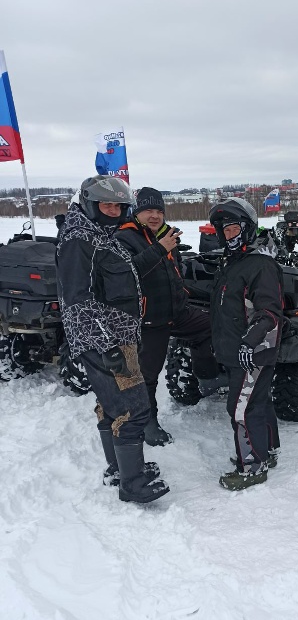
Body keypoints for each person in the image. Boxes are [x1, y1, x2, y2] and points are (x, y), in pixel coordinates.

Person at [56, 176, 169, 504]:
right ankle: (132, 483)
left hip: (113, 336)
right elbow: (77, 299)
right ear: (91, 205)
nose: (113, 212)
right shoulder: (80, 240)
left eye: (119, 206)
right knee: (133, 407)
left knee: (111, 405)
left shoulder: (99, 235)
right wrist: (107, 345)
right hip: (106, 341)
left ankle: (119, 468)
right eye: (107, 205)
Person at [116, 187, 222, 447]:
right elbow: (127, 275)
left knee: (211, 325)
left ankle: (206, 375)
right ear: (137, 212)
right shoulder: (124, 237)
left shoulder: (167, 235)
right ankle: (147, 422)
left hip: (177, 311)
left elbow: (174, 276)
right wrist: (160, 249)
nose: (154, 216)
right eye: (148, 210)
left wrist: (206, 294)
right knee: (148, 375)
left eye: (159, 211)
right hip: (149, 318)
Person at [208, 198, 284, 491]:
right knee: (259, 402)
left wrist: (250, 342)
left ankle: (252, 467)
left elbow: (269, 311)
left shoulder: (260, 265)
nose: (229, 234)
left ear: (247, 228)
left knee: (241, 408)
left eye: (233, 228)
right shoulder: (233, 262)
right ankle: (267, 451)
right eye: (224, 230)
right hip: (237, 350)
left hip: (252, 351)